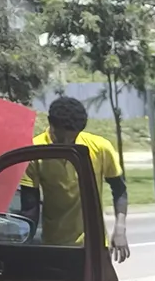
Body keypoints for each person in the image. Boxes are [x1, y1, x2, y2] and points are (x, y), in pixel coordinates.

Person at [19, 95, 130, 260]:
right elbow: (30, 208)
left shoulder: (100, 148)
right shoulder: (35, 152)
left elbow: (119, 189)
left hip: (95, 245)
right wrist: (24, 246)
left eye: (72, 138)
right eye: (60, 136)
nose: (66, 143)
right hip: (54, 247)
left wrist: (120, 229)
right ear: (50, 123)